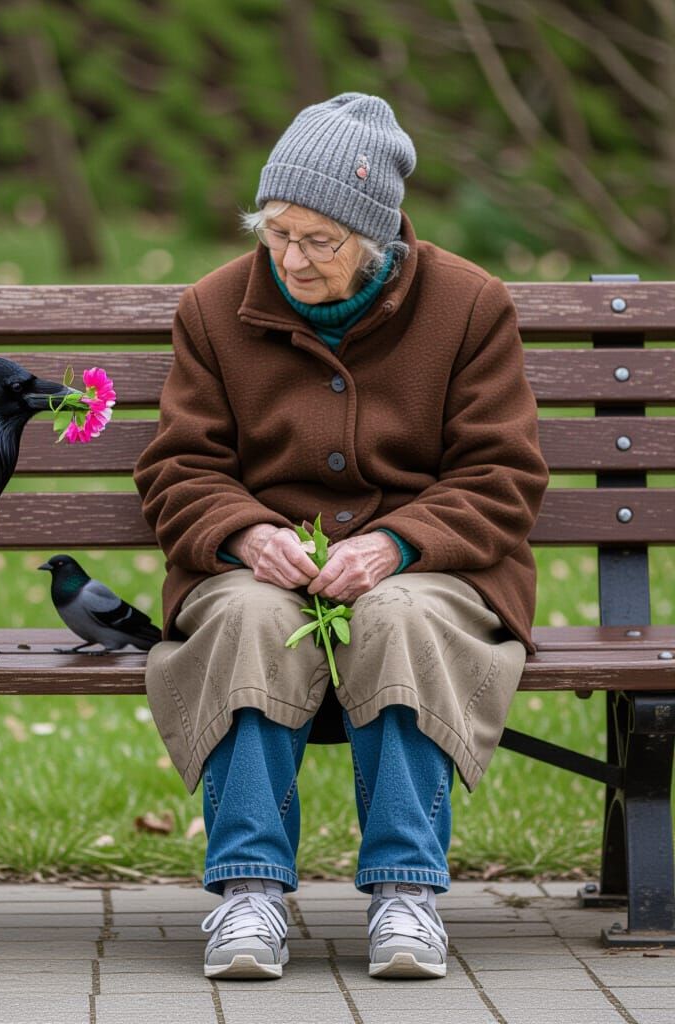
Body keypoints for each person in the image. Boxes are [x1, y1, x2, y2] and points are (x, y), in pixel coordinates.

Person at [134, 92, 549, 982]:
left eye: (319, 240)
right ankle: (248, 893)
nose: (291, 258)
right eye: (277, 231)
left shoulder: (469, 306)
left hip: (434, 564)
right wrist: (243, 531)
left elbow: (500, 477)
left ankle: (407, 892)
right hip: (263, 565)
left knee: (399, 618)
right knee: (248, 618)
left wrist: (393, 544)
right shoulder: (212, 310)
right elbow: (177, 470)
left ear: (378, 236)